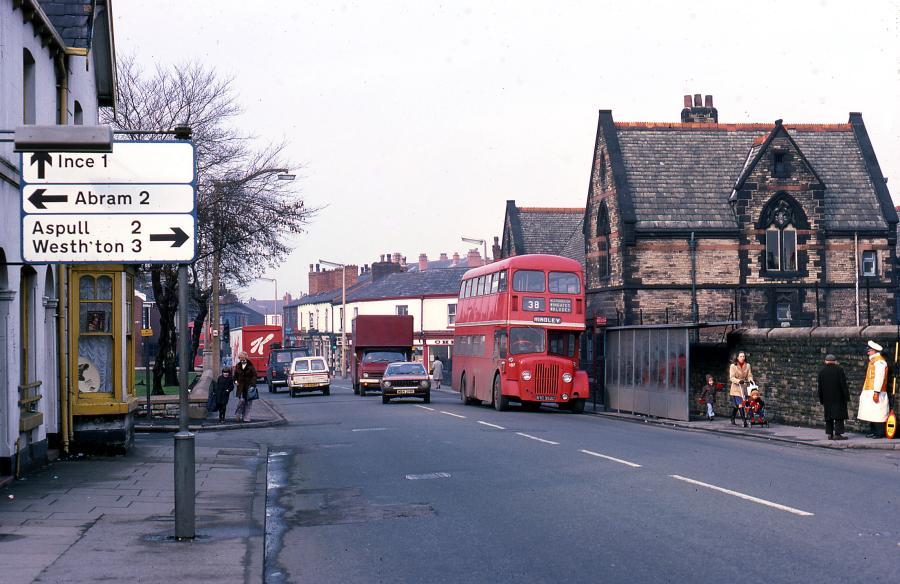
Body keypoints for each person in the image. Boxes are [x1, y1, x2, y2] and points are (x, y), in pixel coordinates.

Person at [858, 341, 890, 439]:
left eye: (869, 350)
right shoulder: (873, 361)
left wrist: (876, 392)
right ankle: (873, 431)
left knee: (878, 413)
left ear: (874, 351)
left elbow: (879, 378)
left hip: (877, 391)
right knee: (871, 413)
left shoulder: (879, 362)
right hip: (870, 390)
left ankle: (879, 433)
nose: (868, 351)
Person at [817, 354, 850, 440]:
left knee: (829, 416)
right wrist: (846, 397)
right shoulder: (839, 370)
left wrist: (821, 399)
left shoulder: (822, 372)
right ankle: (838, 434)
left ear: (826, 361)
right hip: (838, 397)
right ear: (835, 361)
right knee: (839, 416)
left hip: (827, 398)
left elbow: (820, 387)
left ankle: (830, 434)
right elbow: (843, 385)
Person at [728, 351, 753, 427]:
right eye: (741, 356)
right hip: (736, 388)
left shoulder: (748, 365)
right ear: (737, 357)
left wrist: (751, 380)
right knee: (740, 404)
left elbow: (749, 375)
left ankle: (732, 417)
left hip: (744, 388)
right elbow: (732, 377)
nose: (742, 358)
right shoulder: (733, 366)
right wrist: (739, 381)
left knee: (738, 406)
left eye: (743, 356)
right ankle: (744, 421)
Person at [233, 351, 258, 423]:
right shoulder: (238, 366)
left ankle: (246, 418)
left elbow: (254, 375)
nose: (241, 359)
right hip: (240, 387)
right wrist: (236, 382)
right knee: (241, 401)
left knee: (248, 403)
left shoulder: (250, 365)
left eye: (242, 357)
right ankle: (238, 413)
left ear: (245, 357)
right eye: (240, 357)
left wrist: (253, 384)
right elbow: (235, 377)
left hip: (249, 387)